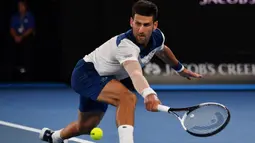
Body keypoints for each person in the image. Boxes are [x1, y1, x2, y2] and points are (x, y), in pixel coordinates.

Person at [39, 0, 202, 143]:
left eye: (146, 25)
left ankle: (54, 137)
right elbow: (135, 73)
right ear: (131, 21)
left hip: (108, 78)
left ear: (155, 25)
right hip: (87, 74)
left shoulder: (158, 37)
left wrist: (180, 69)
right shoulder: (125, 45)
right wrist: (148, 93)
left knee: (86, 127)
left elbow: (162, 51)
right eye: (137, 23)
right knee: (127, 98)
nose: (140, 30)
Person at [9, 0, 35, 81]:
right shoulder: (15, 17)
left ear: (25, 7)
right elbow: (12, 28)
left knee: (27, 53)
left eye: (22, 6)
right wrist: (16, 36)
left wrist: (22, 37)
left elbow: (31, 29)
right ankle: (15, 74)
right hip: (16, 39)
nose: (20, 8)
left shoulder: (29, 16)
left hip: (26, 39)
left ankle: (27, 75)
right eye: (19, 6)